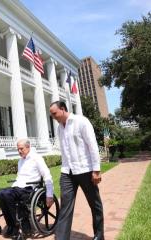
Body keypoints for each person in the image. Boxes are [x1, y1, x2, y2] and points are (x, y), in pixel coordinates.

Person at [49, 101, 104, 240]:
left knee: (94, 204)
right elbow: (65, 151)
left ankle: (99, 235)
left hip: (85, 170)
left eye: (54, 113)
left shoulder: (81, 121)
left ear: (62, 109)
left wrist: (96, 170)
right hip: (67, 172)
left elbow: (92, 145)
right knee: (65, 206)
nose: (53, 117)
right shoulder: (59, 128)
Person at [0, 138, 54, 238]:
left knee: (6, 194)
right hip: (19, 187)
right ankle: (11, 225)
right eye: (18, 149)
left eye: (21, 149)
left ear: (28, 147)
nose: (19, 151)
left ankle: (15, 225)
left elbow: (47, 176)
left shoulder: (36, 158)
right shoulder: (20, 161)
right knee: (1, 192)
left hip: (30, 189)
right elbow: (20, 177)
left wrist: (49, 194)